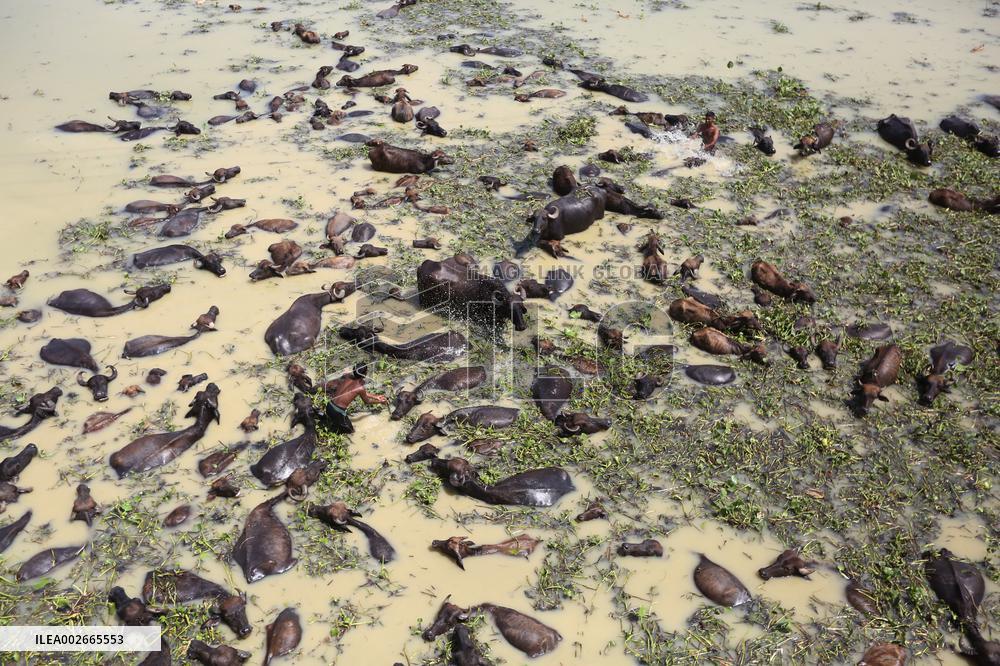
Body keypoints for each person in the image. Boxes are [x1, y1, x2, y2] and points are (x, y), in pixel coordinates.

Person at [321, 363, 387, 433]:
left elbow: (355, 391)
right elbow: (367, 401)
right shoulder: (360, 388)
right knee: (351, 432)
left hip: (329, 405)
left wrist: (375, 397)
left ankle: (330, 421)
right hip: (337, 411)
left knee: (336, 423)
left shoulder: (347, 376)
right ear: (365, 373)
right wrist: (380, 402)